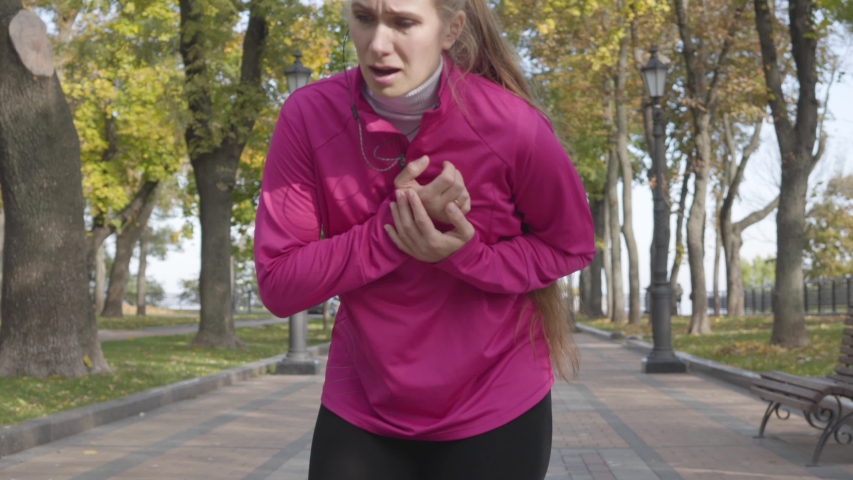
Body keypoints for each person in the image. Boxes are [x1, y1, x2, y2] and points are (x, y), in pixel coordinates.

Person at [254, 0, 595, 478]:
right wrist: (396, 230)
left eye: (403, 23)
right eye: (364, 18)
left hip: (495, 401)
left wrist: (468, 256)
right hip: (364, 403)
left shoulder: (513, 124)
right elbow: (279, 283)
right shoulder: (308, 116)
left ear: (452, 29)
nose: (378, 44)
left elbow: (570, 245)